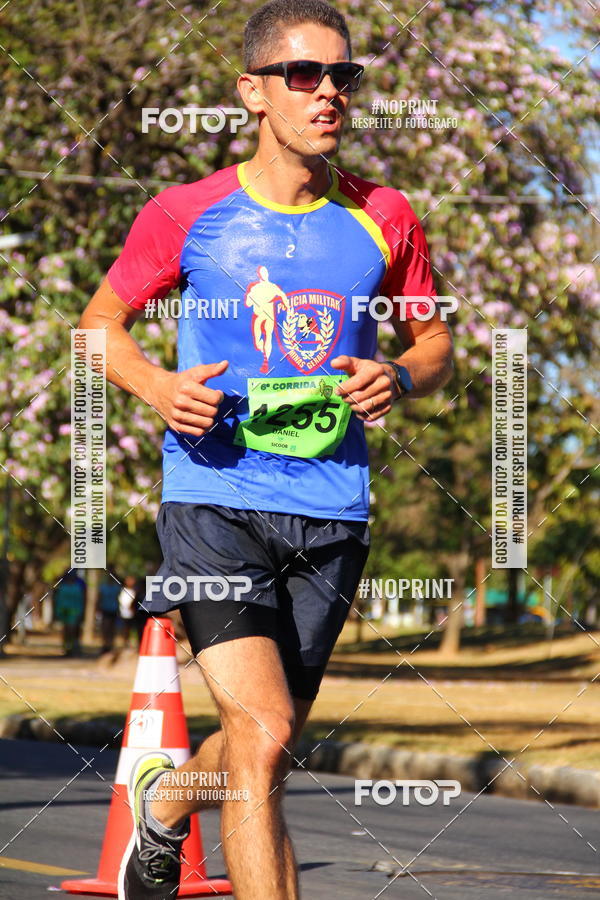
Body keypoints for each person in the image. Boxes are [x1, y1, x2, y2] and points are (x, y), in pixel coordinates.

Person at [79, 1, 453, 897]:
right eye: (305, 74)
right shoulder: (186, 212)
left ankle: (167, 801)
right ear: (253, 91)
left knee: (268, 741)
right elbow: (97, 327)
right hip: (214, 500)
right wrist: (156, 386)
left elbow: (436, 343)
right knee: (266, 729)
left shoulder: (385, 214)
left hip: (333, 510)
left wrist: (399, 376)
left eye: (343, 76)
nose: (329, 93)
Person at [53, 569, 86, 656]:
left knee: (72, 629)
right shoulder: (62, 586)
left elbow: (81, 599)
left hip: (75, 611)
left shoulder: (78, 586)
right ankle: (66, 647)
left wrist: (81, 611)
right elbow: (58, 599)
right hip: (63, 611)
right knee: (66, 630)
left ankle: (73, 647)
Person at [97, 570, 121, 654]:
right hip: (105, 609)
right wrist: (98, 608)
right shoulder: (103, 587)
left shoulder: (116, 587)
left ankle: (110, 645)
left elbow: (118, 599)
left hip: (113, 610)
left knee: (112, 628)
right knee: (105, 628)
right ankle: (105, 644)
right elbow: (99, 598)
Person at [118, 575, 137, 647]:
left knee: (130, 629)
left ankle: (128, 642)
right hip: (124, 613)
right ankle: (124, 642)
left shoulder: (135, 591)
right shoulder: (122, 590)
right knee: (124, 628)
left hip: (131, 614)